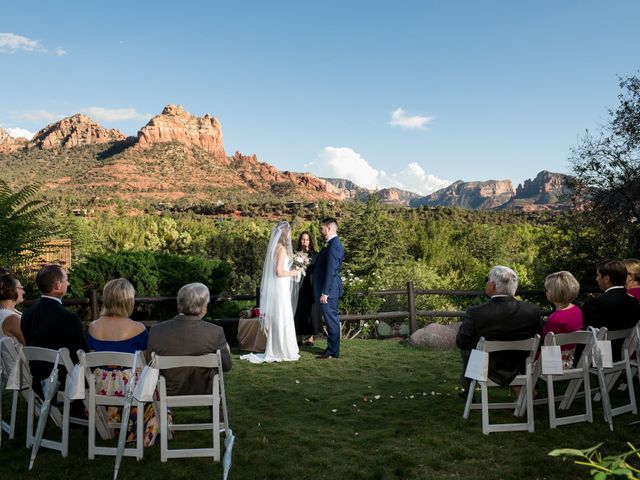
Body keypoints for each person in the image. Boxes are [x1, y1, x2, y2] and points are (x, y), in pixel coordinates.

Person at [87, 278, 157, 447]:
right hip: (130, 390)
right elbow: (146, 361)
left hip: (100, 390)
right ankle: (142, 427)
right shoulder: (138, 328)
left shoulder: (93, 327)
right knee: (154, 384)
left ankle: (112, 424)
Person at [456, 266, 542, 390]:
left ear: (493, 286)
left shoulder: (476, 312)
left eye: (487, 280)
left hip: (486, 368)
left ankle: (468, 388)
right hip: (519, 365)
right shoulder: (531, 310)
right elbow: (539, 341)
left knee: (467, 351)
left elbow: (462, 342)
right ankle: (527, 391)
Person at [148, 282, 232, 395]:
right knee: (216, 375)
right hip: (205, 391)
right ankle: (218, 410)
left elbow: (149, 365)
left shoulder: (157, 331)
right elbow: (226, 366)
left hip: (166, 390)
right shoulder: (215, 332)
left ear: (179, 305)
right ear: (203, 308)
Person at [21, 264, 89, 396]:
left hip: (38, 382)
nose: (68, 283)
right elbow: (82, 356)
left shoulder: (28, 314)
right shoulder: (68, 318)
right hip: (65, 384)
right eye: (66, 280)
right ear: (58, 285)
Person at [241, 221, 301, 363]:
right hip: (280, 288)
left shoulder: (276, 248)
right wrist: (293, 272)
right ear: (284, 233)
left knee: (280, 317)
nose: (290, 233)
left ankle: (279, 347)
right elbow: (279, 272)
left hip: (279, 288)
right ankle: (282, 349)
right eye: (289, 231)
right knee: (282, 316)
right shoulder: (282, 250)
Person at [582, 259, 640, 360]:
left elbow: (586, 337)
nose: (596, 279)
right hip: (625, 354)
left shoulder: (595, 305)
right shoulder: (634, 302)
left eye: (598, 275)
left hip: (602, 358)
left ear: (607, 279)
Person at [312, 218, 345, 359]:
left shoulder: (334, 245)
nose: (320, 231)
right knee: (331, 320)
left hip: (329, 291)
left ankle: (332, 352)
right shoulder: (331, 245)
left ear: (329, 229)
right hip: (329, 289)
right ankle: (331, 350)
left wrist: (325, 292)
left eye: (322, 228)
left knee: (331, 321)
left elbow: (331, 271)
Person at [542, 271, 583, 368]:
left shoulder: (555, 318)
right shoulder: (577, 311)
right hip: (572, 359)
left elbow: (545, 345)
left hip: (554, 363)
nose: (546, 292)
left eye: (547, 289)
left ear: (554, 292)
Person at [293, 231, 322, 346]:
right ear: (300, 241)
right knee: (299, 311)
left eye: (307, 239)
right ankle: (298, 337)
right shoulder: (296, 254)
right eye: (303, 239)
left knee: (312, 311)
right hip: (299, 285)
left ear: (310, 241)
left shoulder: (315, 254)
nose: (305, 241)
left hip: (311, 285)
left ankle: (310, 337)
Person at [0, 273, 26, 345]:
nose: (23, 292)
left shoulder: (8, 313)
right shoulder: (11, 318)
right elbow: (30, 343)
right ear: (11, 289)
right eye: (21, 288)